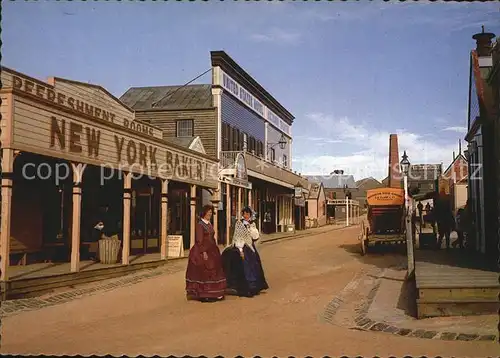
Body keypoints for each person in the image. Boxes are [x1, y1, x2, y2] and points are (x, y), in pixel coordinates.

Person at [221, 206, 269, 297]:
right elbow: (238, 237)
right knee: (246, 268)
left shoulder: (252, 224)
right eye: (245, 214)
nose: (246, 215)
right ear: (243, 214)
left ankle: (255, 287)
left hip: (251, 248)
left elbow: (255, 237)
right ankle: (247, 288)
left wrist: (251, 228)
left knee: (254, 266)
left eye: (248, 214)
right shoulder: (240, 224)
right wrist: (240, 250)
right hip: (243, 248)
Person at [185, 205, 227, 302]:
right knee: (206, 270)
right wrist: (203, 252)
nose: (210, 214)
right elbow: (199, 240)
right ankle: (205, 293)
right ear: (204, 213)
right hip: (202, 250)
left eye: (211, 213)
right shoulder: (200, 225)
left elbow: (212, 237)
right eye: (208, 212)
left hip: (212, 250)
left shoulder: (209, 224)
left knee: (215, 270)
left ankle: (214, 292)